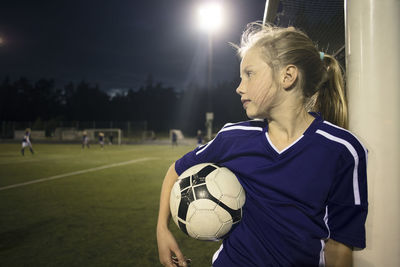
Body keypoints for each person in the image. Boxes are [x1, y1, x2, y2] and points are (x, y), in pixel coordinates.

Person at [156, 23, 368, 267]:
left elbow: (339, 245)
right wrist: (162, 229)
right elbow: (175, 170)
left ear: (287, 76)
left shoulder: (342, 150)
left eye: (249, 74)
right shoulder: (233, 138)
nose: (239, 87)